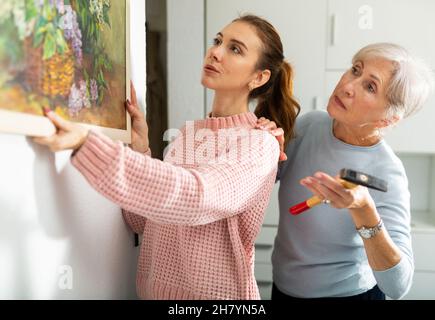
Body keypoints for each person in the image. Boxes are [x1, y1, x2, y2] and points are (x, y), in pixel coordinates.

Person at [33, 15, 300, 299]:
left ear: (258, 77)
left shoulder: (260, 143)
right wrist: (140, 150)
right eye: (218, 41)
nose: (216, 52)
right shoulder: (186, 136)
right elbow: (144, 220)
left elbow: (198, 197)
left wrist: (89, 146)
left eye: (235, 49)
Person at [257, 43, 434, 300]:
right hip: (283, 290)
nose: (348, 86)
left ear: (388, 119)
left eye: (370, 86)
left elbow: (398, 286)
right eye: (355, 70)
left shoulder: (388, 173)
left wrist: (364, 211)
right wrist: (262, 146)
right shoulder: (308, 125)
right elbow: (262, 181)